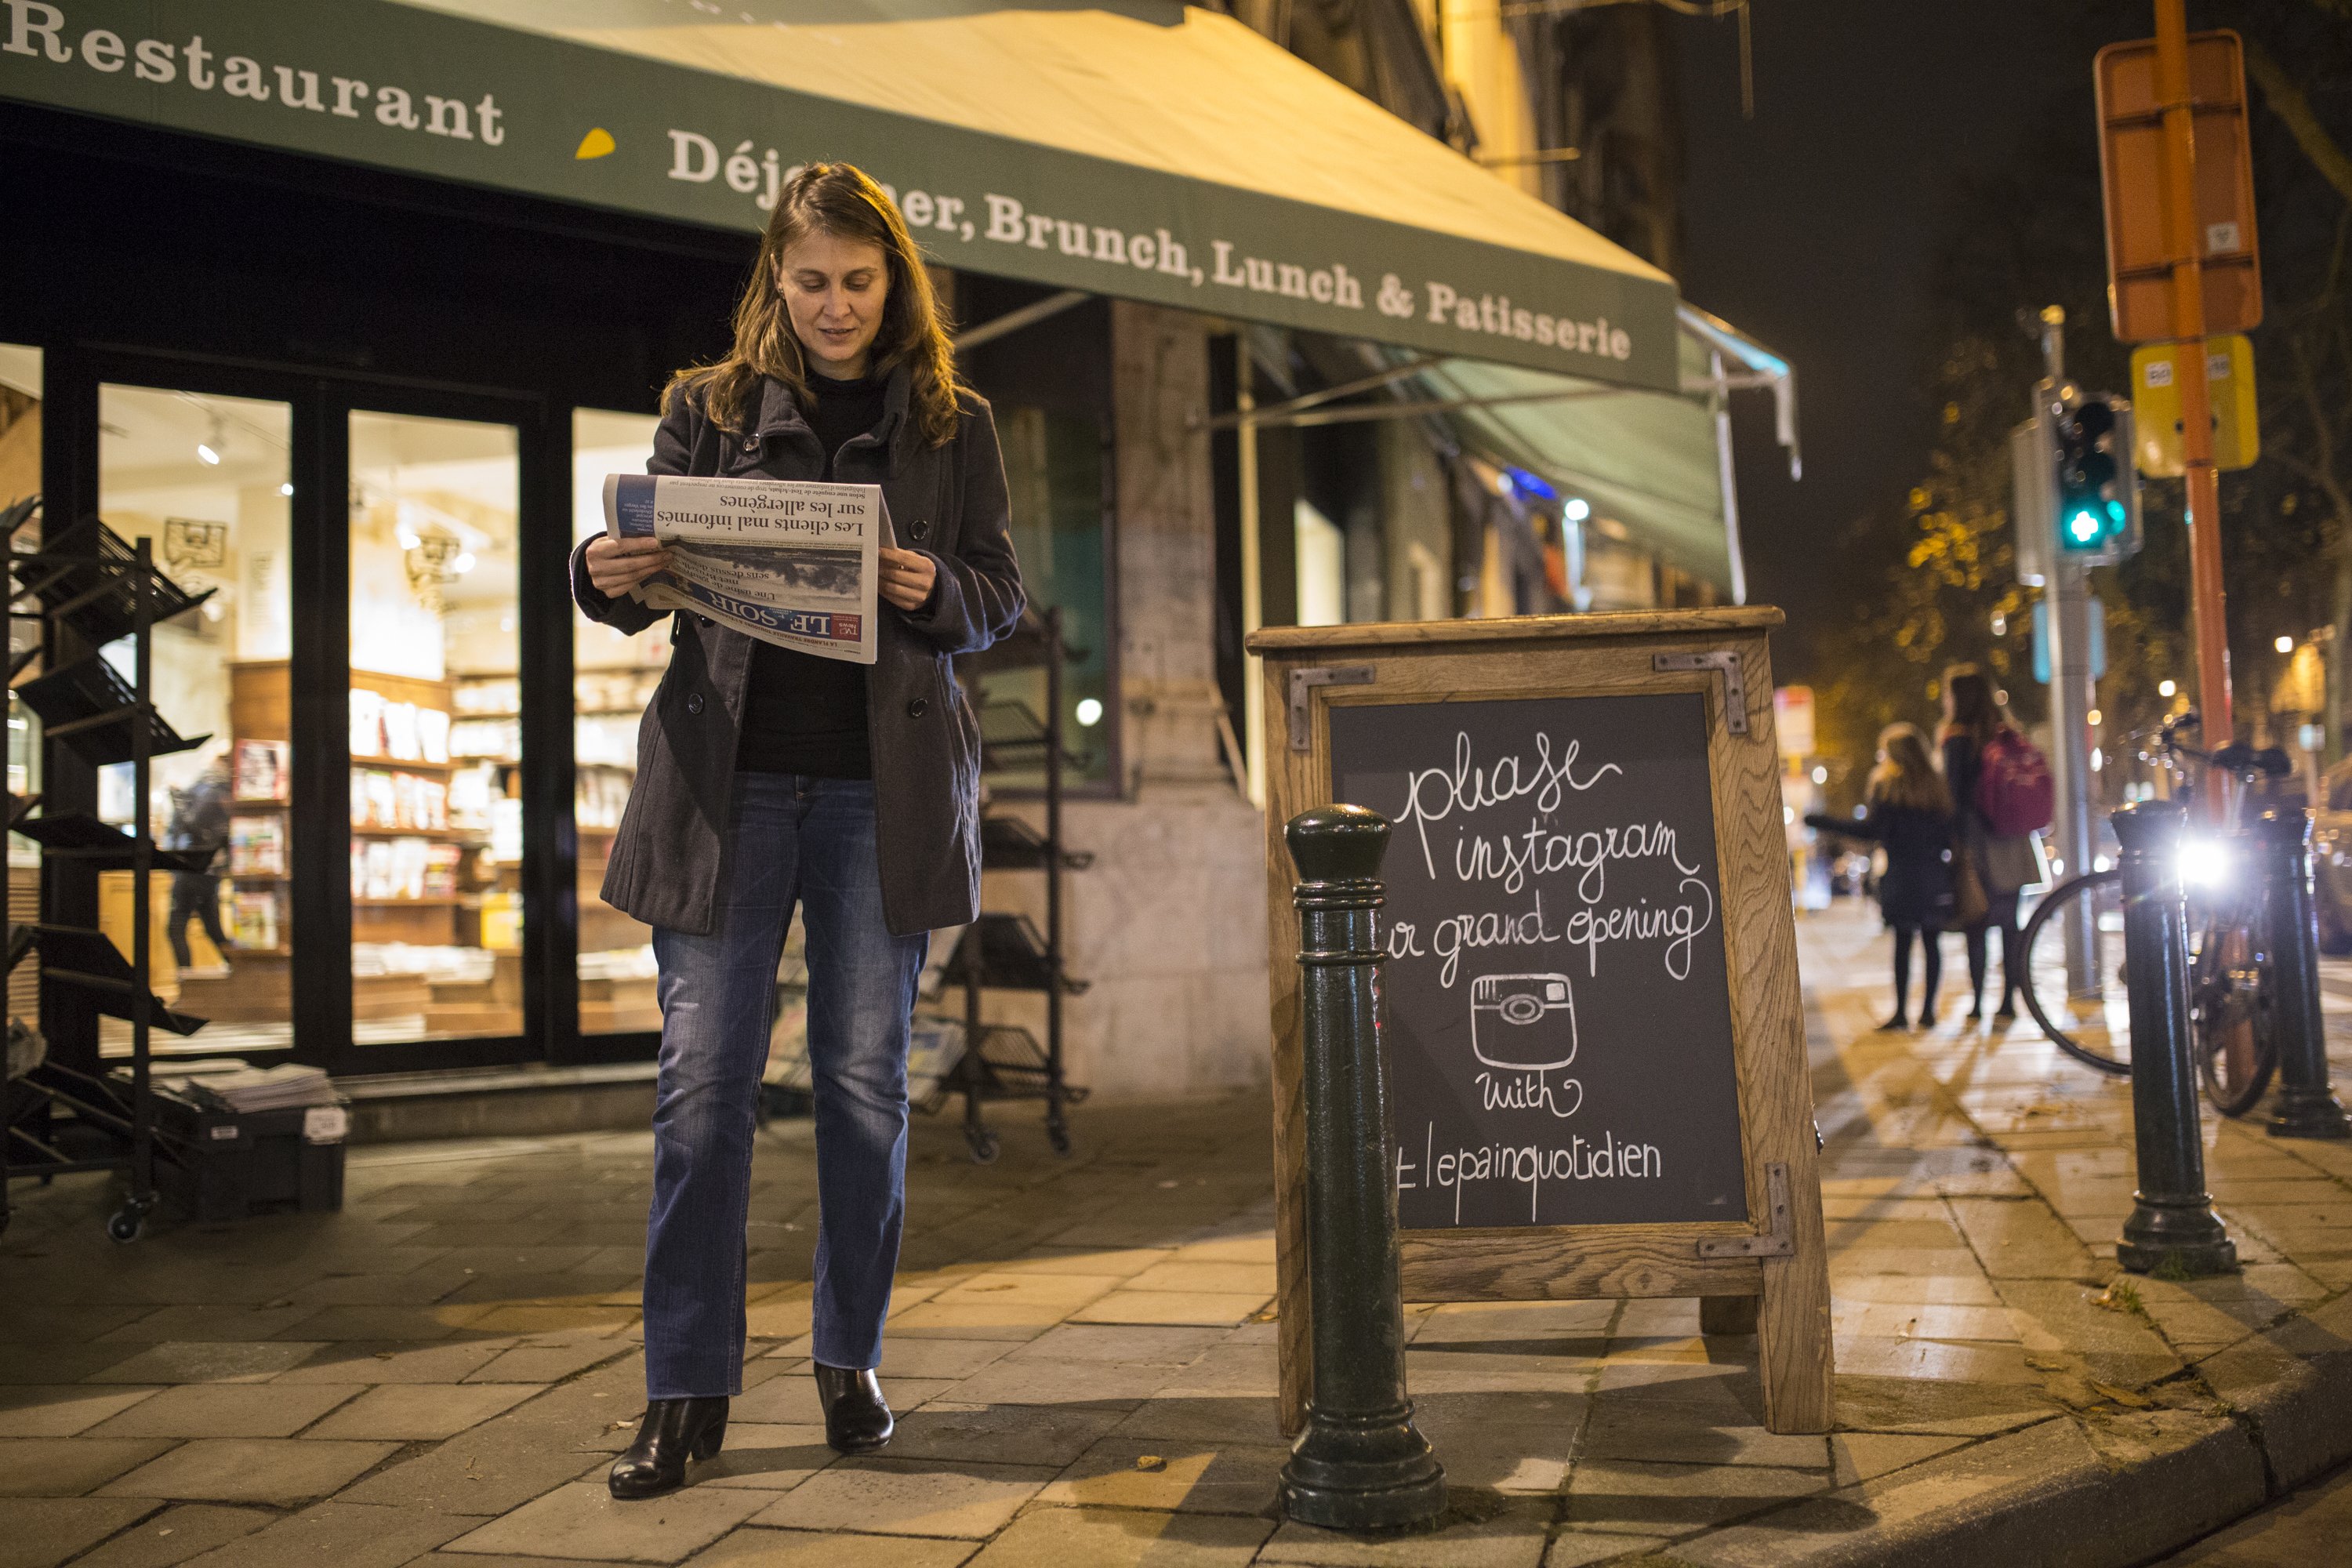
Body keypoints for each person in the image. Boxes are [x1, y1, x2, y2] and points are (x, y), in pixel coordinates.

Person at [569, 162, 1023, 1501]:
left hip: (881, 797)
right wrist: (601, 577)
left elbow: (998, 593)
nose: (833, 305)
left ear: (896, 283)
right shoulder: (703, 413)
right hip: (728, 789)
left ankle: (850, 1356)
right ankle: (684, 1389)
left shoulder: (956, 423)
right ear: (778, 278)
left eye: (858, 280)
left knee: (864, 1090)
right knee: (700, 1095)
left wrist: (940, 585)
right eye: (810, 279)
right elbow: (640, 578)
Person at [1808, 724, 1956, 1030]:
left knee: (1903, 943)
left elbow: (1870, 832)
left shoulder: (1887, 787)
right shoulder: (1938, 787)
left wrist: (1821, 821)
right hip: (1932, 874)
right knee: (1932, 941)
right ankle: (1928, 1011)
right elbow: (1948, 835)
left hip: (1901, 875)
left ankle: (1901, 1013)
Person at [1941, 665, 2036, 1022]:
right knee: (2011, 924)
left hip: (1978, 842)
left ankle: (1979, 1002)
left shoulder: (1957, 738)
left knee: (1976, 924)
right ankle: (2009, 1002)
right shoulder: (2007, 734)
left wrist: (1952, 842)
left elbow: (1954, 796)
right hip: (2014, 840)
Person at [162, 758, 232, 976]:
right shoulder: (221, 792)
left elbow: (193, 825)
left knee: (176, 926)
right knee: (213, 930)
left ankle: (186, 982)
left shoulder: (211, 791)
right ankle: (240, 970)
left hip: (193, 868)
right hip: (207, 871)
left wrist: (177, 799)